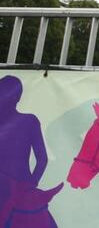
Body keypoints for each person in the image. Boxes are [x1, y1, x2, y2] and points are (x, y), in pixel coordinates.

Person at [0, 75, 49, 224]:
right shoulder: (29, 121)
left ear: (17, 97)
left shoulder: (29, 121)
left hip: (20, 192)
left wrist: (30, 185)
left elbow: (42, 159)